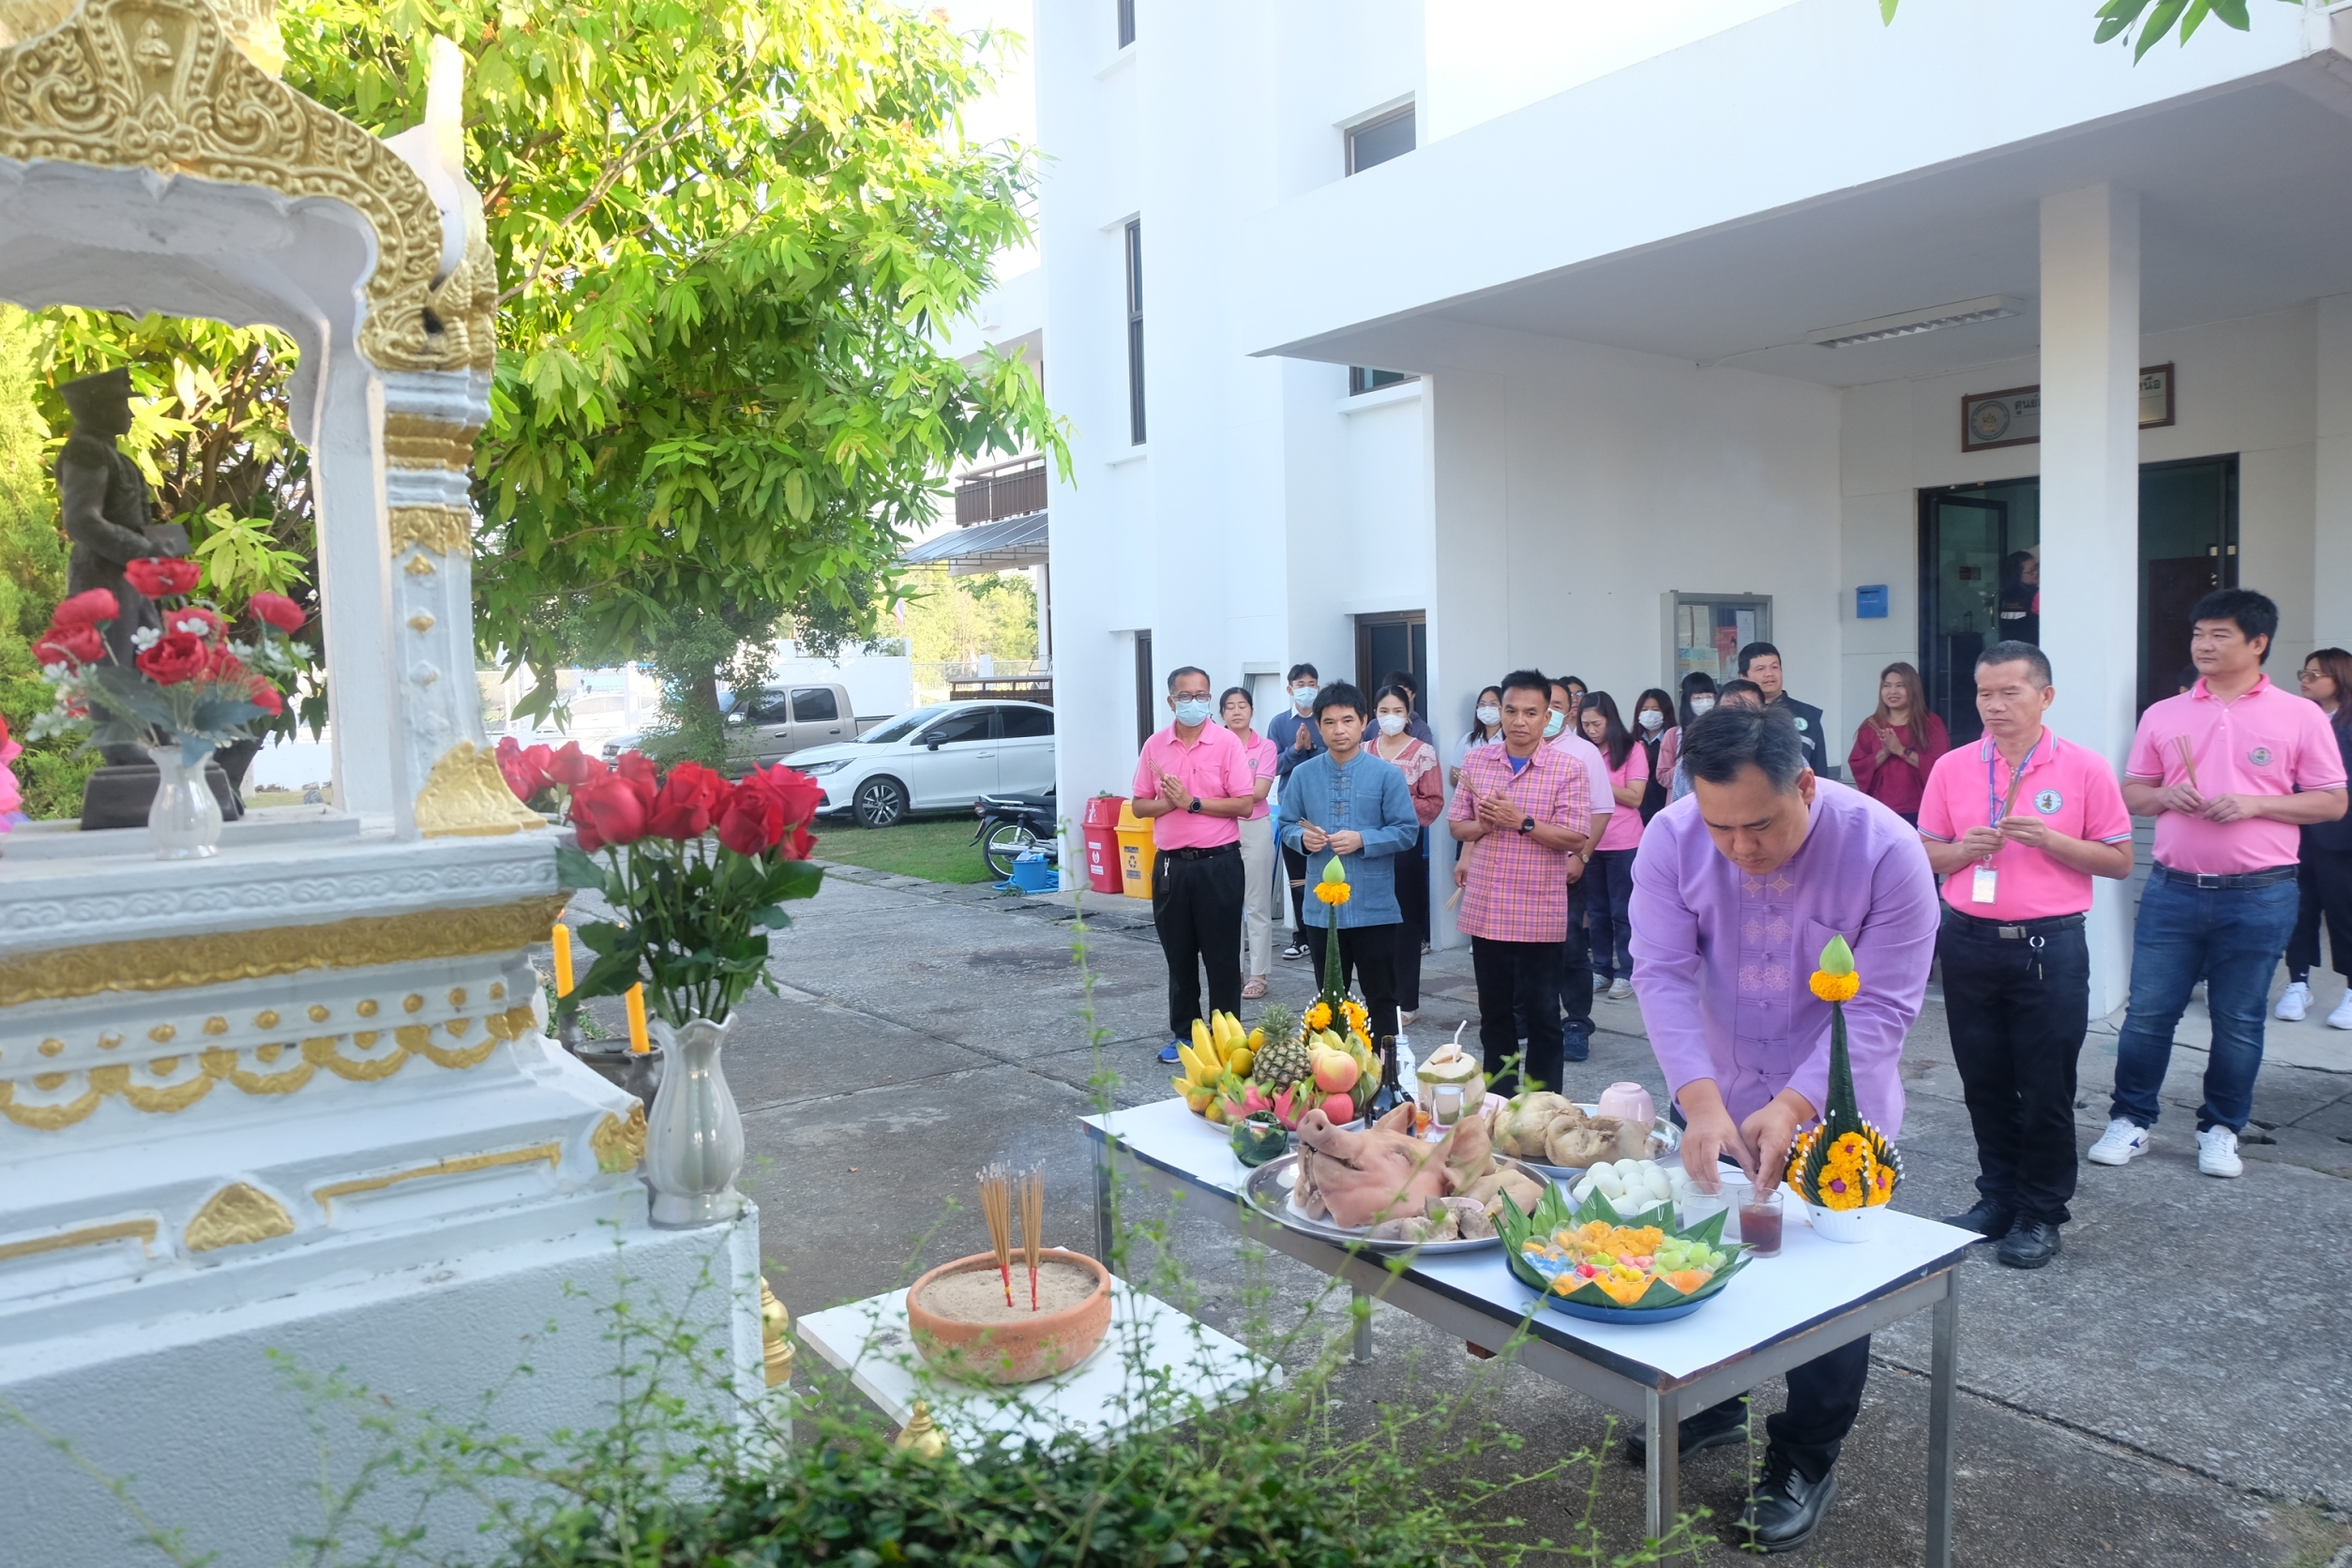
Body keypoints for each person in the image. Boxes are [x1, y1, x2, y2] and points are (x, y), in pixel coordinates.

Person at [1628, 703, 1939, 1552]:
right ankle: (1713, 1402)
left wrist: (1798, 1105)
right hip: (1717, 1093)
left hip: (1836, 1115)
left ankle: (1805, 1456)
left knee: (1825, 1292)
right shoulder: (1672, 838)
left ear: (1805, 785)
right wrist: (1699, 1101)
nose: (1740, 847)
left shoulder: (1886, 851)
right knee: (1707, 1253)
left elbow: (1883, 1006)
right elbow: (1660, 972)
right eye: (1719, 826)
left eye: (1759, 825)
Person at [2091, 590, 2348, 1179]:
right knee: (2149, 1014)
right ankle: (2131, 1119)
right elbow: (2132, 793)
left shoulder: (2299, 715)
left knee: (2238, 1018)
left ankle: (2221, 1128)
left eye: (2219, 634)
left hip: (2261, 892)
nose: (2203, 645)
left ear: (2258, 643)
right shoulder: (2165, 713)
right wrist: (2164, 795)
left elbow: (2332, 802)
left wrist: (2255, 804)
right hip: (2173, 887)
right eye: (2198, 633)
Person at [1917, 642, 2134, 1269]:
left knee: (2044, 1087)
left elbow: (2120, 860)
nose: (1994, 705)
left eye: (2009, 692)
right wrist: (1961, 851)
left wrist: (2051, 840)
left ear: (2045, 696)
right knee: (1983, 1080)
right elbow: (1923, 851)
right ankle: (1998, 1198)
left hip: (2049, 946)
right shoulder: (1954, 767)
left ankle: (2041, 1211)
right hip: (1968, 940)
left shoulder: (2084, 768)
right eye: (1985, 693)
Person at [1449, 671, 1591, 1097]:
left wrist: (1522, 822)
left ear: (1548, 717)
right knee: (1493, 1015)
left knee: (1544, 1015)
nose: (1519, 721)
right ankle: (1498, 1101)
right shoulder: (1478, 761)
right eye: (1511, 711)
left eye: (1531, 712)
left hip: (1538, 909)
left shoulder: (1568, 768)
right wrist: (1483, 824)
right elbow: (1457, 826)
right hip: (1488, 906)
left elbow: (1576, 837)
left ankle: (1543, 1106)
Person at [1278, 682, 1421, 1042]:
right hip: (1321, 910)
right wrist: (1302, 839)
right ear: (1318, 726)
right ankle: (1334, 1070)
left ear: (1363, 722)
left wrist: (1363, 839)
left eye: (1347, 720)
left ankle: (1386, 1069)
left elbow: (1407, 831)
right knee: (1329, 1002)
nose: (1338, 730)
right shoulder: (1303, 775)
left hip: (1374, 907)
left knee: (1382, 998)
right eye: (1329, 722)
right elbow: (1286, 824)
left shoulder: (1387, 774)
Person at [1131, 667, 1259, 1064]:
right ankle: (1185, 1034)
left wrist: (1193, 803)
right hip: (1171, 866)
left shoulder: (1226, 743)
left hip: (1218, 863)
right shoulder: (1155, 745)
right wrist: (1167, 803)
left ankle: (1226, 1039)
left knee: (1222, 957)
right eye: (1185, 696)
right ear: (1171, 701)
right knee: (1179, 956)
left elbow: (1244, 803)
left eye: (1202, 695)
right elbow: (1139, 805)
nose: (1195, 702)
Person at [2279, 648, 2352, 1028]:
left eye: (2315, 674)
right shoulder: (2295, 719)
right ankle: (2298, 983)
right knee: (2299, 910)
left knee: (2344, 914)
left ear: (2340, 678)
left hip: (2342, 838)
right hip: (2295, 832)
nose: (2305, 681)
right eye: (2303, 673)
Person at [1371, 683, 1444, 1022]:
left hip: (1404, 847)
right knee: (1374, 927)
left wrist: (1395, 807)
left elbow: (1433, 803)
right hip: (1368, 847)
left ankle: (1407, 1001)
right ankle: (1379, 996)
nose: (1390, 717)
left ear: (1408, 714)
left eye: (1397, 711)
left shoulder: (1422, 753)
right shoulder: (1364, 750)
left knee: (1406, 924)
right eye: (1384, 711)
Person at [1546, 678, 1612, 1055]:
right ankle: (1528, 1016)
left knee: (1571, 946)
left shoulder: (1583, 752)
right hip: (1522, 871)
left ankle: (1575, 1023)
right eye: (1543, 706)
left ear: (1570, 708)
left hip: (1566, 866)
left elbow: (1601, 810)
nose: (1548, 713)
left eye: (1557, 706)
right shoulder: (1513, 749)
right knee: (1522, 950)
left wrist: (1581, 856)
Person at [1578, 692, 1650, 1002]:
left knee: (1623, 911)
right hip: (1589, 840)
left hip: (1624, 842)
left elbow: (1635, 797)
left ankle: (1628, 972)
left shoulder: (1632, 749)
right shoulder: (1581, 750)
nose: (1591, 730)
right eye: (1585, 725)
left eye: (1597, 723)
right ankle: (1602, 969)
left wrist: (1597, 781)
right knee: (1596, 911)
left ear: (1611, 720)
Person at [1221, 686, 1279, 1002]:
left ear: (1252, 710)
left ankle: (1258, 974)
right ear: (1221, 714)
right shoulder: (1216, 744)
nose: (1236, 711)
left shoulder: (1265, 747)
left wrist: (1222, 793)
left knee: (1256, 904)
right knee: (1226, 905)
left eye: (1242, 705)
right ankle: (1233, 972)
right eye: (1230, 706)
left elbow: (1259, 792)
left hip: (1254, 827)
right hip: (1219, 828)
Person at [1267, 662, 1326, 959]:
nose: (1307, 689)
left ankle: (1325, 935)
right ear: (1290, 689)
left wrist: (1311, 747)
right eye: (1301, 684)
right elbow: (1273, 765)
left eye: (1312, 684)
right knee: (1298, 879)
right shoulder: (1279, 723)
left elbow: (1333, 757)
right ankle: (1302, 936)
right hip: (1293, 810)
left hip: (1323, 806)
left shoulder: (1326, 718)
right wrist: (1296, 749)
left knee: (1326, 873)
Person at [1847, 661, 1949, 826]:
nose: (1892, 691)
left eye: (1900, 685)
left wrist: (1900, 750)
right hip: (1880, 808)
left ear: (1913, 689)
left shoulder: (1930, 723)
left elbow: (1941, 766)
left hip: (1921, 808)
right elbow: (1858, 765)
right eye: (1887, 686)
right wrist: (1885, 752)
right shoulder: (1871, 725)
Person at [1739, 641, 1832, 780]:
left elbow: (1820, 773)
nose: (1769, 674)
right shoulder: (1737, 716)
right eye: (1760, 669)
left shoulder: (1808, 715)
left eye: (1774, 667)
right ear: (1744, 676)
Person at [1669, 678, 1763, 803]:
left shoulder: (1781, 758)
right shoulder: (1693, 762)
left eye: (1746, 708)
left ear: (1764, 713)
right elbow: (1678, 810)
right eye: (1729, 709)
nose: (1738, 716)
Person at [1632, 687, 1678, 826]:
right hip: (1638, 812)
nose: (1649, 714)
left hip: (1666, 808)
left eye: (1655, 709)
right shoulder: (1631, 741)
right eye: (1644, 709)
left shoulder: (1675, 739)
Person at [1452, 684, 1504, 789]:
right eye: (1482, 704)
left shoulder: (1511, 740)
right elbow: (1454, 776)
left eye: (1493, 704)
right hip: (1471, 796)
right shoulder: (1468, 739)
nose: (1487, 708)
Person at [1378, 669, 1439, 746]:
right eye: (1394, 690)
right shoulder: (1372, 726)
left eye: (1404, 692)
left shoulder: (1421, 729)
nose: (1398, 695)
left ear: (1412, 696)